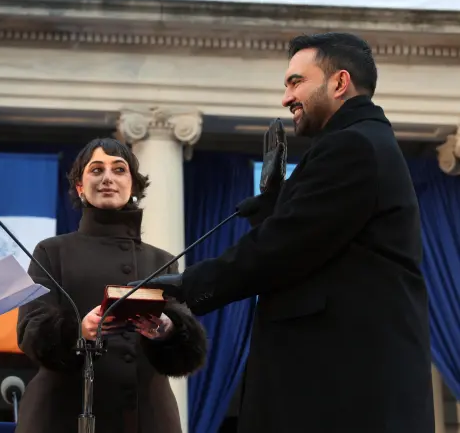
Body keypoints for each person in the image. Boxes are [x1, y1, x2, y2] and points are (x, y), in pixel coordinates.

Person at [134, 32, 435, 433]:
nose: (286, 98)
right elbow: (315, 243)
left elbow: (284, 248)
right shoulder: (360, 142)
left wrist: (187, 285)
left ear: (339, 82)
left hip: (343, 394)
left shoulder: (353, 146)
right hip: (341, 389)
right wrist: (274, 203)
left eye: (296, 82)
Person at [15, 138, 207, 433]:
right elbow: (31, 331)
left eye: (119, 169)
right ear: (80, 187)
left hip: (146, 417)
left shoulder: (163, 260)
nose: (107, 178)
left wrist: (168, 330)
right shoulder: (51, 252)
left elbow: (186, 352)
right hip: (63, 415)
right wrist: (80, 331)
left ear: (133, 185)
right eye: (96, 170)